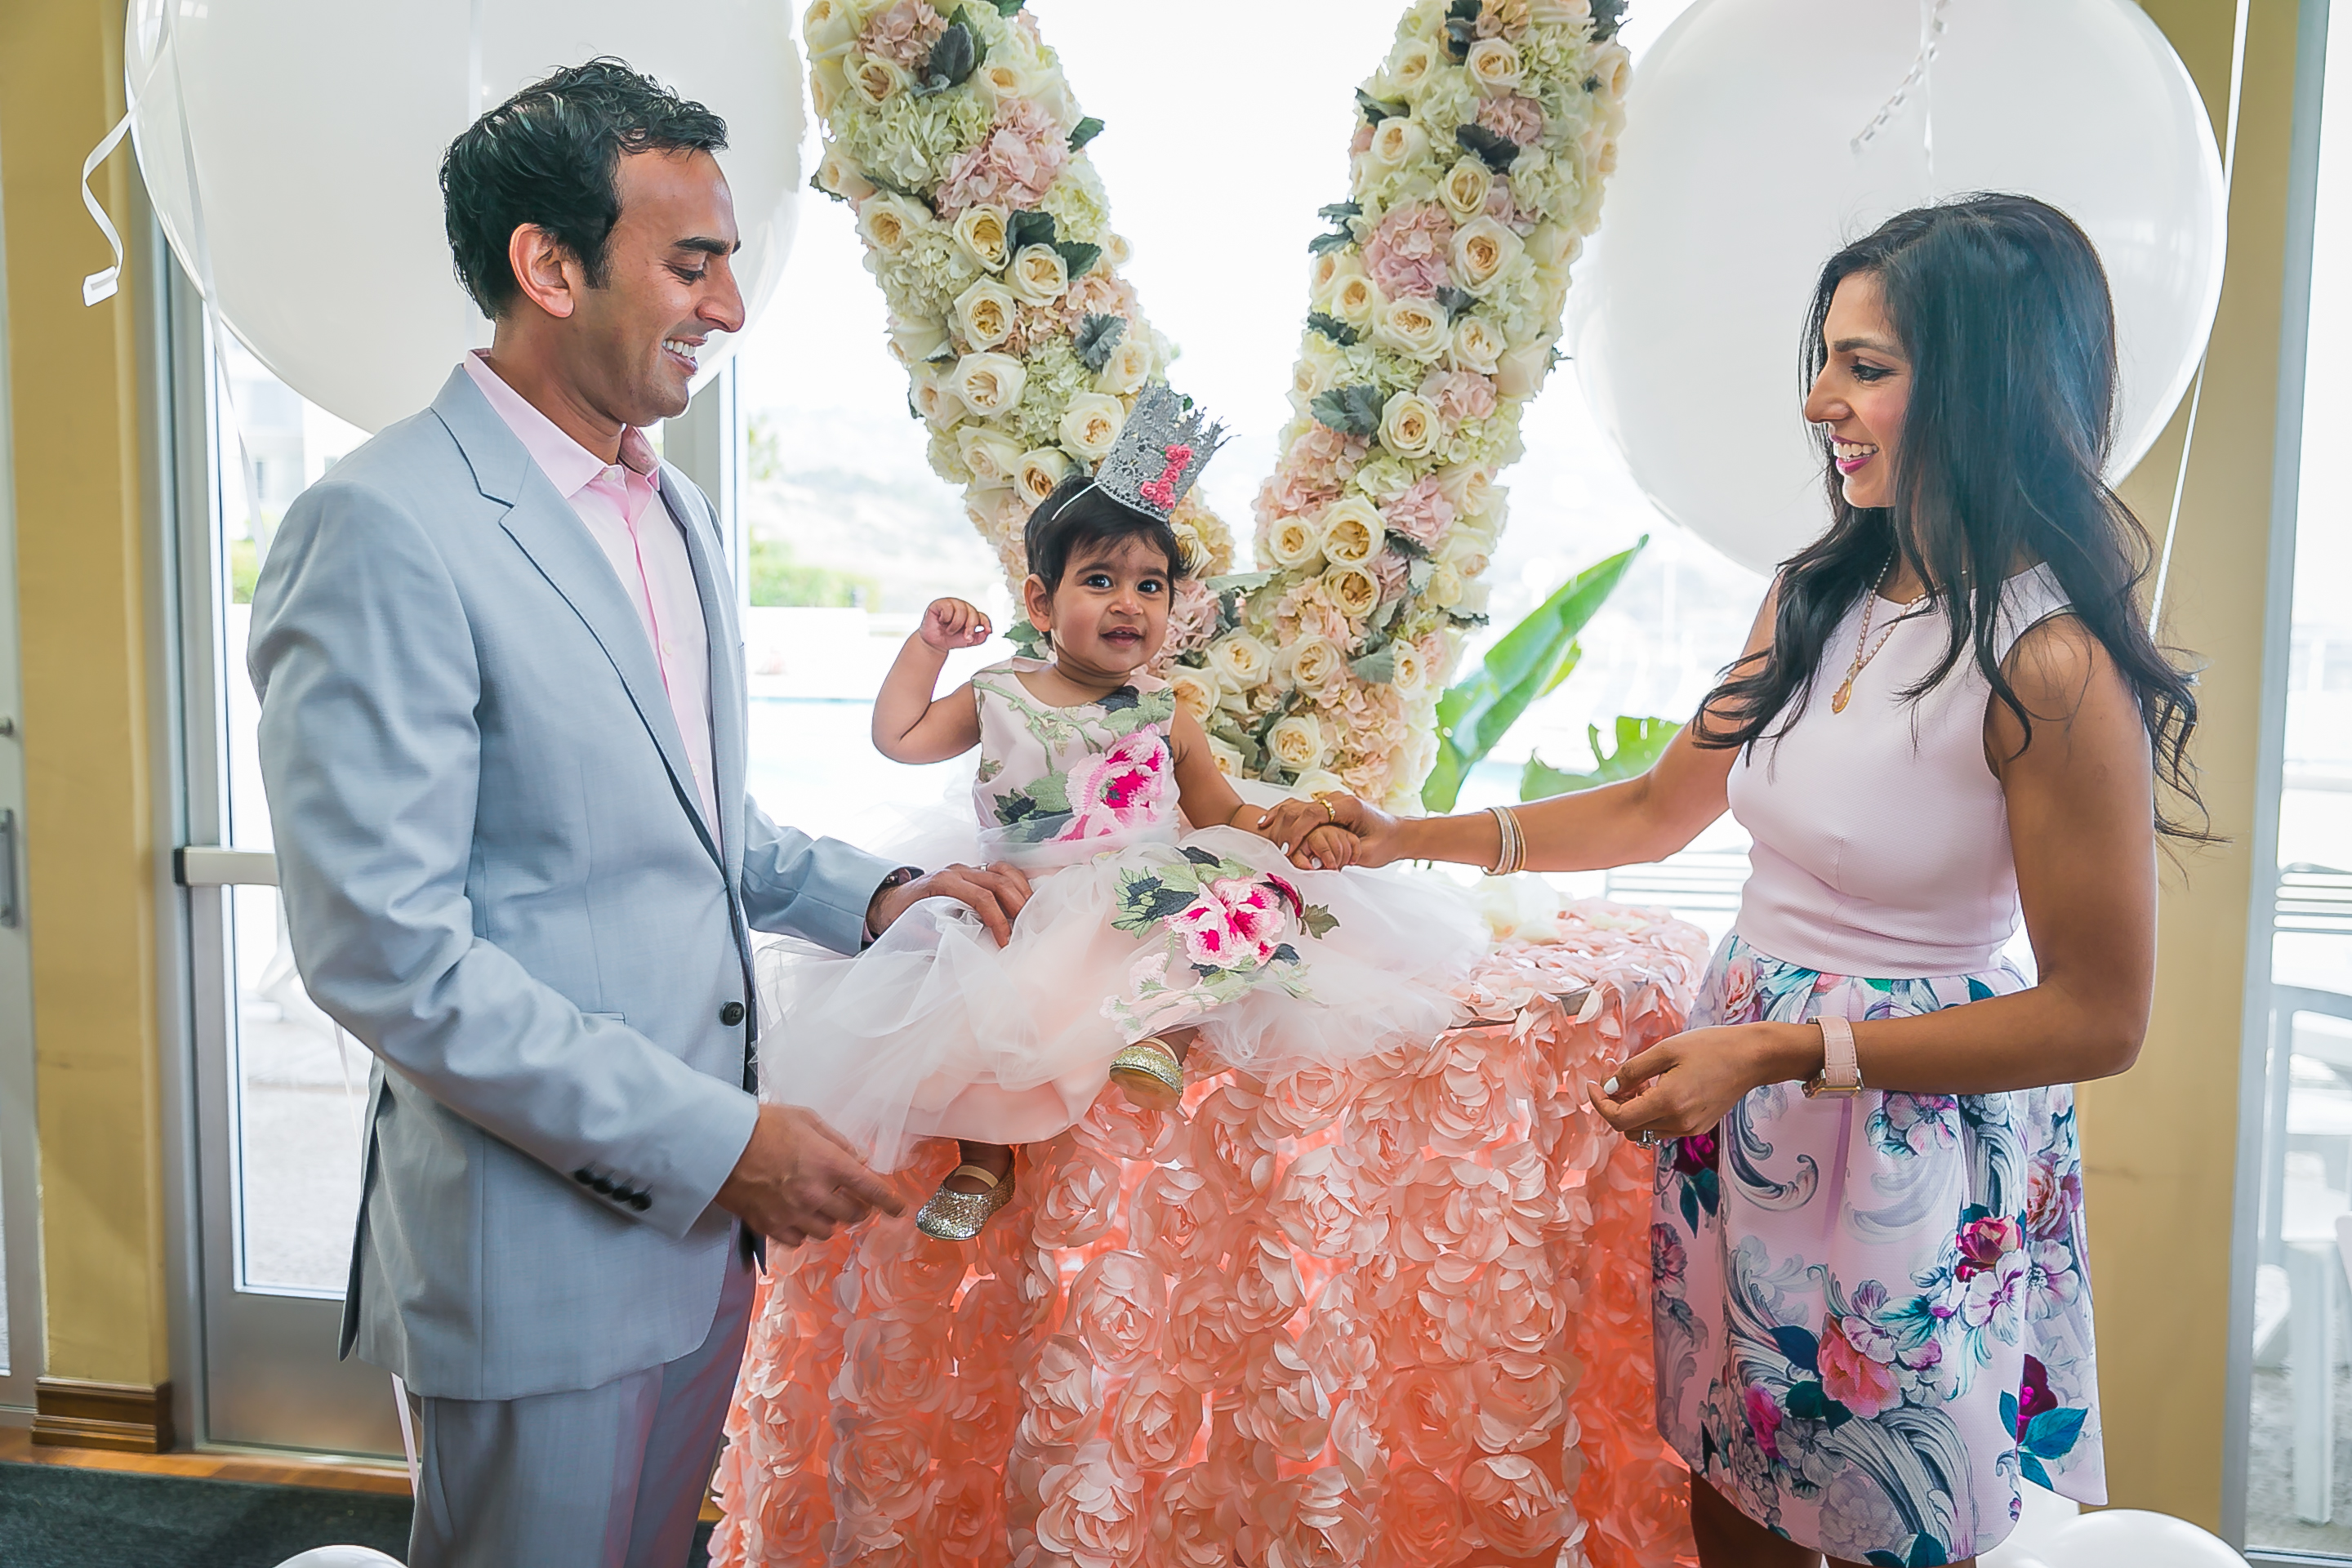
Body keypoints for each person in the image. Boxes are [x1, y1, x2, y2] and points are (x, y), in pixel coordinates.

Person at [1270, 194, 2204, 1566]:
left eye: (1867, 366)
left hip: (1899, 1142)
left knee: (1900, 1525)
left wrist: (1779, 1050)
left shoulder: (2050, 665)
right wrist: (1405, 835)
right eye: (1825, 356)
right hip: (1745, 1121)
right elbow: (1660, 809)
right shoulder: (1816, 592)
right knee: (1734, 1485)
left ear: (1989, 386)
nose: (1820, 398)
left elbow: (2098, 1019)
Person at [249, 60, 1028, 1568]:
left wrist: (882, 897)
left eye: (728, 262)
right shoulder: (379, 526)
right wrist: (718, 1141)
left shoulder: (666, 508)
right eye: (692, 261)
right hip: (534, 1262)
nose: (729, 306)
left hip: (697, 1250)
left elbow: (691, 823)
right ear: (547, 266)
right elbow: (385, 955)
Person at [757, 387, 1486, 1240]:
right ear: (1040, 603)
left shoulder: (1162, 710)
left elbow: (1218, 809)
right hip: (1025, 895)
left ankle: (1163, 1043)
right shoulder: (997, 691)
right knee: (977, 1014)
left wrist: (1282, 828)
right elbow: (901, 737)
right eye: (1098, 581)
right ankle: (984, 1162)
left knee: (1244, 908)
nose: (1127, 603)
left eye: (1150, 586)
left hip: (1139, 886)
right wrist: (929, 647)